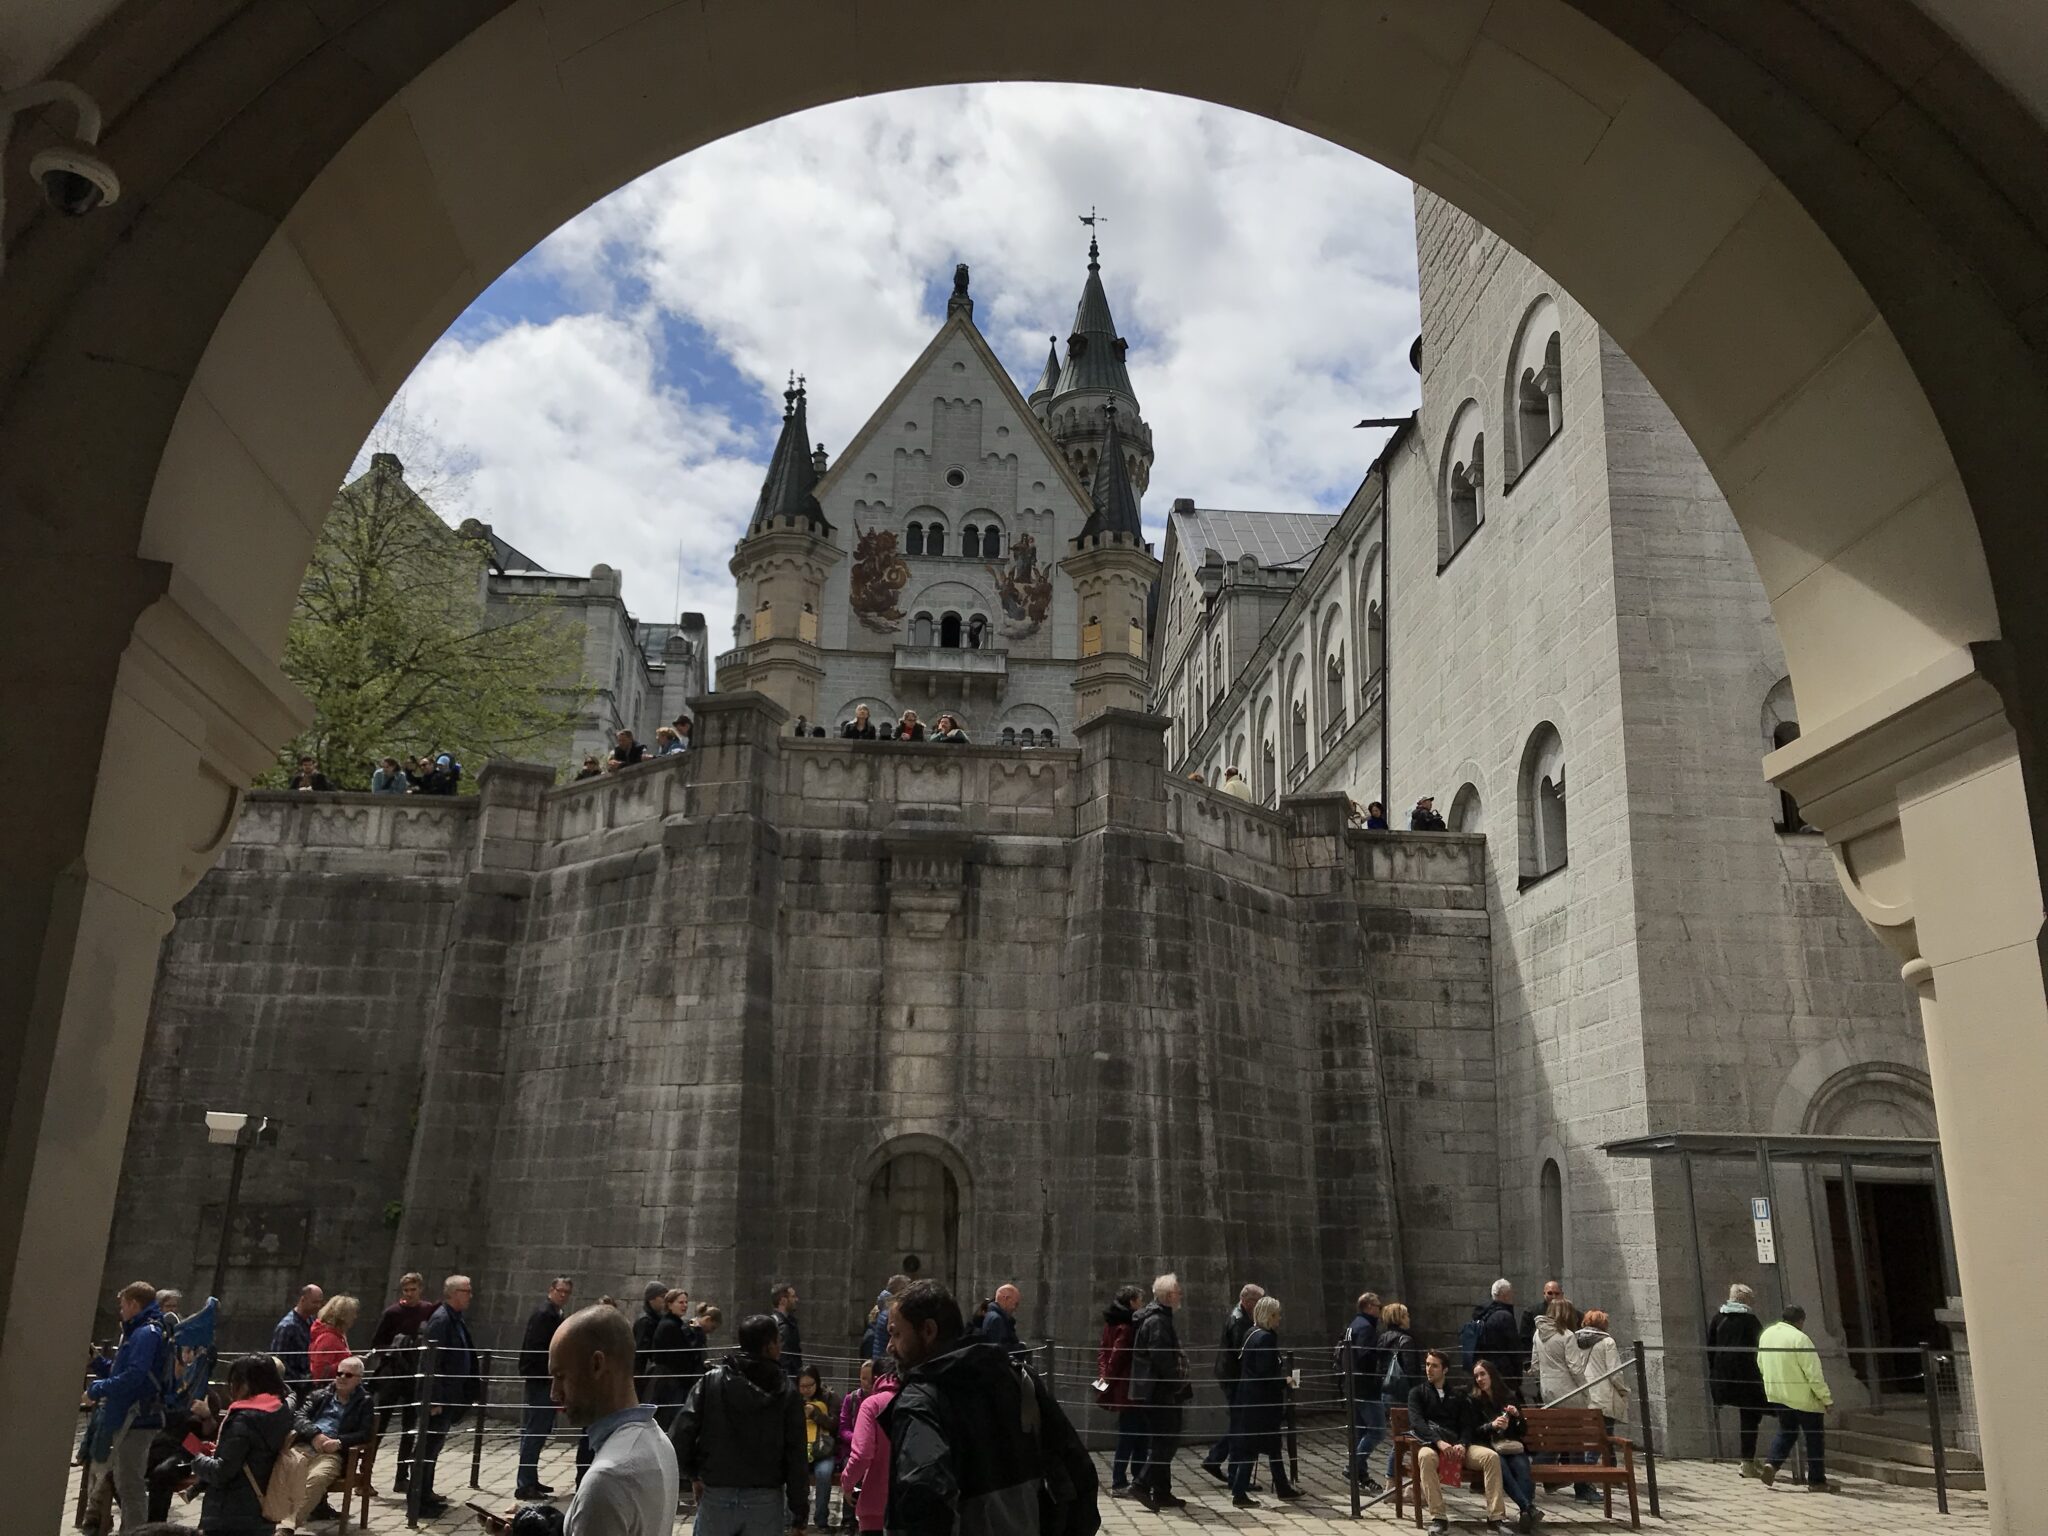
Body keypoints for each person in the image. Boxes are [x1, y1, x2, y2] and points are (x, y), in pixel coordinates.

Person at [882, 1279, 1097, 1536]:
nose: (889, 1346)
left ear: (928, 1331)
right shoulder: (1018, 1378)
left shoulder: (919, 1400)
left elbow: (925, 1493)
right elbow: (1080, 1472)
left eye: (896, 1334)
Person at [548, 1302, 681, 1536]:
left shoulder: (607, 1478)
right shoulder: (660, 1442)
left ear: (597, 1364)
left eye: (560, 1376)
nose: (554, 1393)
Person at [672, 1312, 808, 1536]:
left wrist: (695, 1474)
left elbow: (681, 1433)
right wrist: (799, 1513)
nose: (781, 1346)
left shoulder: (711, 1382)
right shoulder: (786, 1392)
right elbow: (796, 1455)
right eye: (778, 1341)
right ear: (769, 1346)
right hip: (765, 1499)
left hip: (717, 1493)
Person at [85, 1281, 170, 1533]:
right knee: (125, 1481)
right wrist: (98, 1362)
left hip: (138, 1416)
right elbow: (123, 1372)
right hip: (134, 1415)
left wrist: (96, 1389)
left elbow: (134, 1376)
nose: (121, 1311)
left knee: (130, 1484)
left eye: (123, 1306)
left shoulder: (145, 1333)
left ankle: (136, 1532)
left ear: (134, 1304)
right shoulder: (141, 1331)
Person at [190, 1354, 294, 1535]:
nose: (231, 1388)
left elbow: (222, 1472)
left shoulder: (243, 1419)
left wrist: (196, 1456)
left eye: (234, 1382)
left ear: (246, 1384)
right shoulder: (281, 1410)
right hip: (263, 1507)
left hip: (230, 1514)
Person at [1409, 1348, 1504, 1536]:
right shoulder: (1417, 1393)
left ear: (1445, 1370)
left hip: (1459, 1446)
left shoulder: (1458, 1395)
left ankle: (1495, 1519)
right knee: (1425, 1457)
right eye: (1427, 1365)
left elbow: (1467, 1424)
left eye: (1434, 1366)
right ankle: (1438, 1518)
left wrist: (1463, 1443)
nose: (1429, 1369)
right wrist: (1438, 1442)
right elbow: (1417, 1423)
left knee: (1491, 1457)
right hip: (1433, 1446)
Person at [413, 1273, 480, 1517]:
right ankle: (418, 1501)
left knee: (434, 1447)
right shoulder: (441, 1320)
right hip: (438, 1398)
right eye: (466, 1291)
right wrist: (434, 1398)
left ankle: (426, 1492)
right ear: (452, 1293)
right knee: (426, 1448)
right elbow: (430, 1361)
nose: (470, 1295)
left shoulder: (455, 1319)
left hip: (451, 1395)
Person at [1226, 1295, 1299, 1507]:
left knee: (1271, 1446)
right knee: (1253, 1448)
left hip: (1251, 1399)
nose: (1280, 1319)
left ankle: (1282, 1487)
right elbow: (1265, 1374)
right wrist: (1285, 1380)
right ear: (1270, 1316)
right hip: (1261, 1403)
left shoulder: (1250, 1333)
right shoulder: (1265, 1339)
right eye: (1277, 1315)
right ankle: (1239, 1492)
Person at [1126, 1272, 1191, 1510]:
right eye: (1178, 1292)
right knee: (1167, 1442)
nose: (1180, 1295)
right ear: (1169, 1295)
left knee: (1163, 1441)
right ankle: (1141, 1484)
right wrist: (1175, 1383)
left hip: (1157, 1389)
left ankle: (1162, 1492)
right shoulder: (1157, 1321)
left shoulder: (1159, 1318)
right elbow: (1160, 1357)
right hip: (1159, 1391)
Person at [287, 1354, 374, 1530]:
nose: (342, 1378)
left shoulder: (364, 1402)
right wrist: (315, 1435)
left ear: (359, 1379)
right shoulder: (320, 1395)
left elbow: (365, 1434)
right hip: (305, 1446)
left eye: (348, 1375)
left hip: (332, 1454)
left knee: (317, 1478)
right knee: (280, 1471)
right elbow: (299, 1417)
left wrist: (339, 1442)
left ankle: (286, 1526)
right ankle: (268, 1522)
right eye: (339, 1373)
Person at [366, 1272, 433, 1494]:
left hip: (413, 1375)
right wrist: (396, 1349)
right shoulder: (392, 1313)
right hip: (392, 1375)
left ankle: (401, 1477)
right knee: (380, 1425)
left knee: (410, 1428)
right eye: (406, 1290)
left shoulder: (427, 1310)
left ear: (420, 1289)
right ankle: (365, 1477)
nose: (409, 1294)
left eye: (413, 1289)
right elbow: (377, 1343)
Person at [1757, 1304, 1835, 1493]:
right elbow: (1813, 1373)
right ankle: (1816, 1480)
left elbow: (1761, 1363)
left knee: (1787, 1431)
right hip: (1803, 1398)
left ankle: (1772, 1463)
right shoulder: (1800, 1339)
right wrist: (1825, 1398)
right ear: (1800, 1321)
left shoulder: (1767, 1334)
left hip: (1778, 1394)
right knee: (1814, 1438)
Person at [1532, 1298, 1596, 1503]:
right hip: (1569, 1392)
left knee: (1557, 1437)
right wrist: (1585, 1389)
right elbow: (1575, 1368)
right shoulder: (1567, 1336)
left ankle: (1546, 1476)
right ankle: (1581, 1486)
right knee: (1575, 1440)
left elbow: (1535, 1364)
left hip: (1548, 1391)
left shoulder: (1538, 1334)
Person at [1199, 1282, 1263, 1485]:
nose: (1259, 1305)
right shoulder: (1239, 1321)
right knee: (1240, 1426)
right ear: (1246, 1301)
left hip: (1234, 1376)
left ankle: (1215, 1459)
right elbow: (1241, 1353)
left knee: (1238, 1423)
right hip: (1234, 1379)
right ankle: (1235, 1475)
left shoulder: (1245, 1317)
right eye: (1257, 1301)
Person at [517, 1275, 575, 1500]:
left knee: (539, 1431)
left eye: (567, 1292)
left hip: (545, 1378)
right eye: (560, 1291)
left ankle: (531, 1479)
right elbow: (538, 1349)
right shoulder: (545, 1314)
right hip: (541, 1379)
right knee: (535, 1430)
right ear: (551, 1290)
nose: (563, 1295)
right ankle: (525, 1484)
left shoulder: (555, 1313)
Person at [1706, 1283, 1772, 1480]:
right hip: (1748, 1378)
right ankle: (1747, 1461)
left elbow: (1710, 1347)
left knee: (1750, 1416)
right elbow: (1761, 1347)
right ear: (1745, 1300)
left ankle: (1749, 1458)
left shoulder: (1718, 1318)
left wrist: (1715, 1374)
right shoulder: (1750, 1321)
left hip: (1724, 1378)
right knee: (1752, 1417)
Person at [1470, 1360, 1539, 1533]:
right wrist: (1491, 1426)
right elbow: (1473, 1431)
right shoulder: (1474, 1400)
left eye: (1483, 1374)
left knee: (1522, 1467)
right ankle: (1527, 1508)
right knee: (1501, 1467)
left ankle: (1526, 1514)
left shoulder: (1508, 1397)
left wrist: (1517, 1417)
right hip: (1489, 1447)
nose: (1480, 1379)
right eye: (1476, 1376)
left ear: (1491, 1375)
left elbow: (1522, 1430)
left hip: (1511, 1446)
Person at [838, 1360, 899, 1536]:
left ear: (875, 1377)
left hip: (875, 1505)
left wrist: (848, 1484)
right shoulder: (915, 1399)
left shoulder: (872, 1404)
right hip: (909, 1503)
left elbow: (862, 1455)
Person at [1096, 1285, 1144, 1497]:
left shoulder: (1111, 1322)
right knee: (1132, 1434)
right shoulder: (1127, 1326)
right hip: (1128, 1387)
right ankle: (1121, 1481)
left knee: (1131, 1433)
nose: (1142, 1304)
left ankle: (1134, 1479)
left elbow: (1103, 1352)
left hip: (1119, 1386)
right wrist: (1109, 1376)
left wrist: (1104, 1377)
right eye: (1139, 1300)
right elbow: (1118, 1354)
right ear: (1132, 1302)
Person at [1371, 1302, 1422, 1485]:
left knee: (1400, 1437)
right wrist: (1419, 1395)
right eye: (1406, 1315)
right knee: (1409, 1437)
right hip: (1403, 1394)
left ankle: (1397, 1481)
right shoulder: (1405, 1341)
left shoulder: (1382, 1338)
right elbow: (1411, 1371)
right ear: (1399, 1318)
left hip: (1387, 1392)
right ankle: (1393, 1480)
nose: (1409, 1318)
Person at [1343, 1291, 1385, 1491]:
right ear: (1369, 1306)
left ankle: (1361, 1474)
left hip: (1353, 1385)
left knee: (1360, 1432)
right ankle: (1352, 1466)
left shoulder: (1353, 1325)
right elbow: (1366, 1356)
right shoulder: (1366, 1328)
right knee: (1377, 1430)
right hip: (1366, 1387)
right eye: (1378, 1306)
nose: (1380, 1310)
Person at [1566, 1309, 1629, 1431]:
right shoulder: (1607, 1342)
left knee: (1588, 1435)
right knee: (1606, 1435)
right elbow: (1615, 1372)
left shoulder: (1573, 1340)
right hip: (1603, 1396)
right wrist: (1623, 1391)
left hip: (1582, 1395)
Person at [1471, 1279, 1526, 1399]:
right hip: (1503, 1370)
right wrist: (1517, 1376)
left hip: (1484, 1366)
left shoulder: (1482, 1314)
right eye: (1511, 1293)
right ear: (1505, 1295)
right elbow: (1514, 1347)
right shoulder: (1504, 1316)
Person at [833, 1361, 871, 1531]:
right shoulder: (852, 1399)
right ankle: (849, 1519)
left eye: (870, 1379)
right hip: (852, 1450)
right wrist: (859, 1439)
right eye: (863, 1378)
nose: (867, 1383)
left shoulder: (880, 1399)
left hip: (874, 1451)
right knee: (854, 1472)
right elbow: (843, 1429)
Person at [797, 1366, 838, 1527]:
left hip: (823, 1450)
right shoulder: (793, 1398)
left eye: (810, 1385)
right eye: (802, 1386)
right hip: (801, 1450)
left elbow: (834, 1424)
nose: (806, 1390)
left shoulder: (829, 1397)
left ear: (817, 1383)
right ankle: (795, 1520)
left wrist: (815, 1414)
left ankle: (821, 1521)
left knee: (823, 1473)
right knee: (793, 1474)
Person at [651, 1289, 694, 1433]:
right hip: (671, 1378)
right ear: (669, 1304)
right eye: (681, 1302)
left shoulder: (673, 1323)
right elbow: (681, 1354)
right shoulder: (670, 1325)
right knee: (670, 1418)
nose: (685, 1305)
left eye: (686, 1302)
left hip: (672, 1377)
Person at [269, 1284, 323, 1399]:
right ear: (303, 1300)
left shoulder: (311, 1321)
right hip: (293, 1386)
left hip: (309, 1382)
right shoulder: (287, 1326)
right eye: (314, 1302)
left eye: (320, 1302)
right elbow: (278, 1359)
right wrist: (300, 1380)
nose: (318, 1306)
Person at [632, 1282, 670, 1403]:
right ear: (651, 1299)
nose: (665, 1301)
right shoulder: (645, 1321)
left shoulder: (658, 1319)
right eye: (662, 1297)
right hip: (643, 1371)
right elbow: (641, 1351)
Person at [862, 1276, 911, 1366]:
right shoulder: (891, 1311)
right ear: (900, 1290)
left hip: (881, 1359)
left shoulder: (885, 1306)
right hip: (886, 1362)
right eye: (907, 1290)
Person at [307, 1294, 356, 1384]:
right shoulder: (328, 1339)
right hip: (329, 1387)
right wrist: (349, 1364)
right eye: (352, 1314)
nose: (354, 1317)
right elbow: (319, 1374)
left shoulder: (339, 1335)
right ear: (342, 1316)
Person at [977, 1283, 1021, 1352]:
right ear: (1006, 1298)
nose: (1015, 1308)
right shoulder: (997, 1319)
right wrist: (1019, 1348)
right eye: (1015, 1304)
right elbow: (999, 1350)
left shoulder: (991, 1314)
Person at [771, 1284, 803, 1378]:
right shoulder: (779, 1325)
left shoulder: (789, 1323)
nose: (796, 1299)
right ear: (783, 1300)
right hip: (786, 1378)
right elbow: (783, 1358)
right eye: (793, 1296)